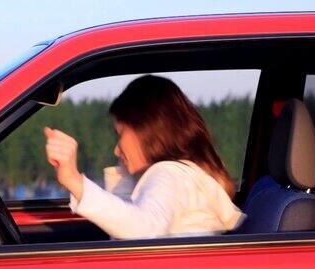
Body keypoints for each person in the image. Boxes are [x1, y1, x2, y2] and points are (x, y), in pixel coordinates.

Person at [44, 75, 244, 239]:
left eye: (120, 134)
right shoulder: (186, 177)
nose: (116, 149)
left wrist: (74, 180)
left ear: (145, 130)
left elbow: (144, 230)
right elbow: (124, 221)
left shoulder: (169, 174)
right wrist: (125, 169)